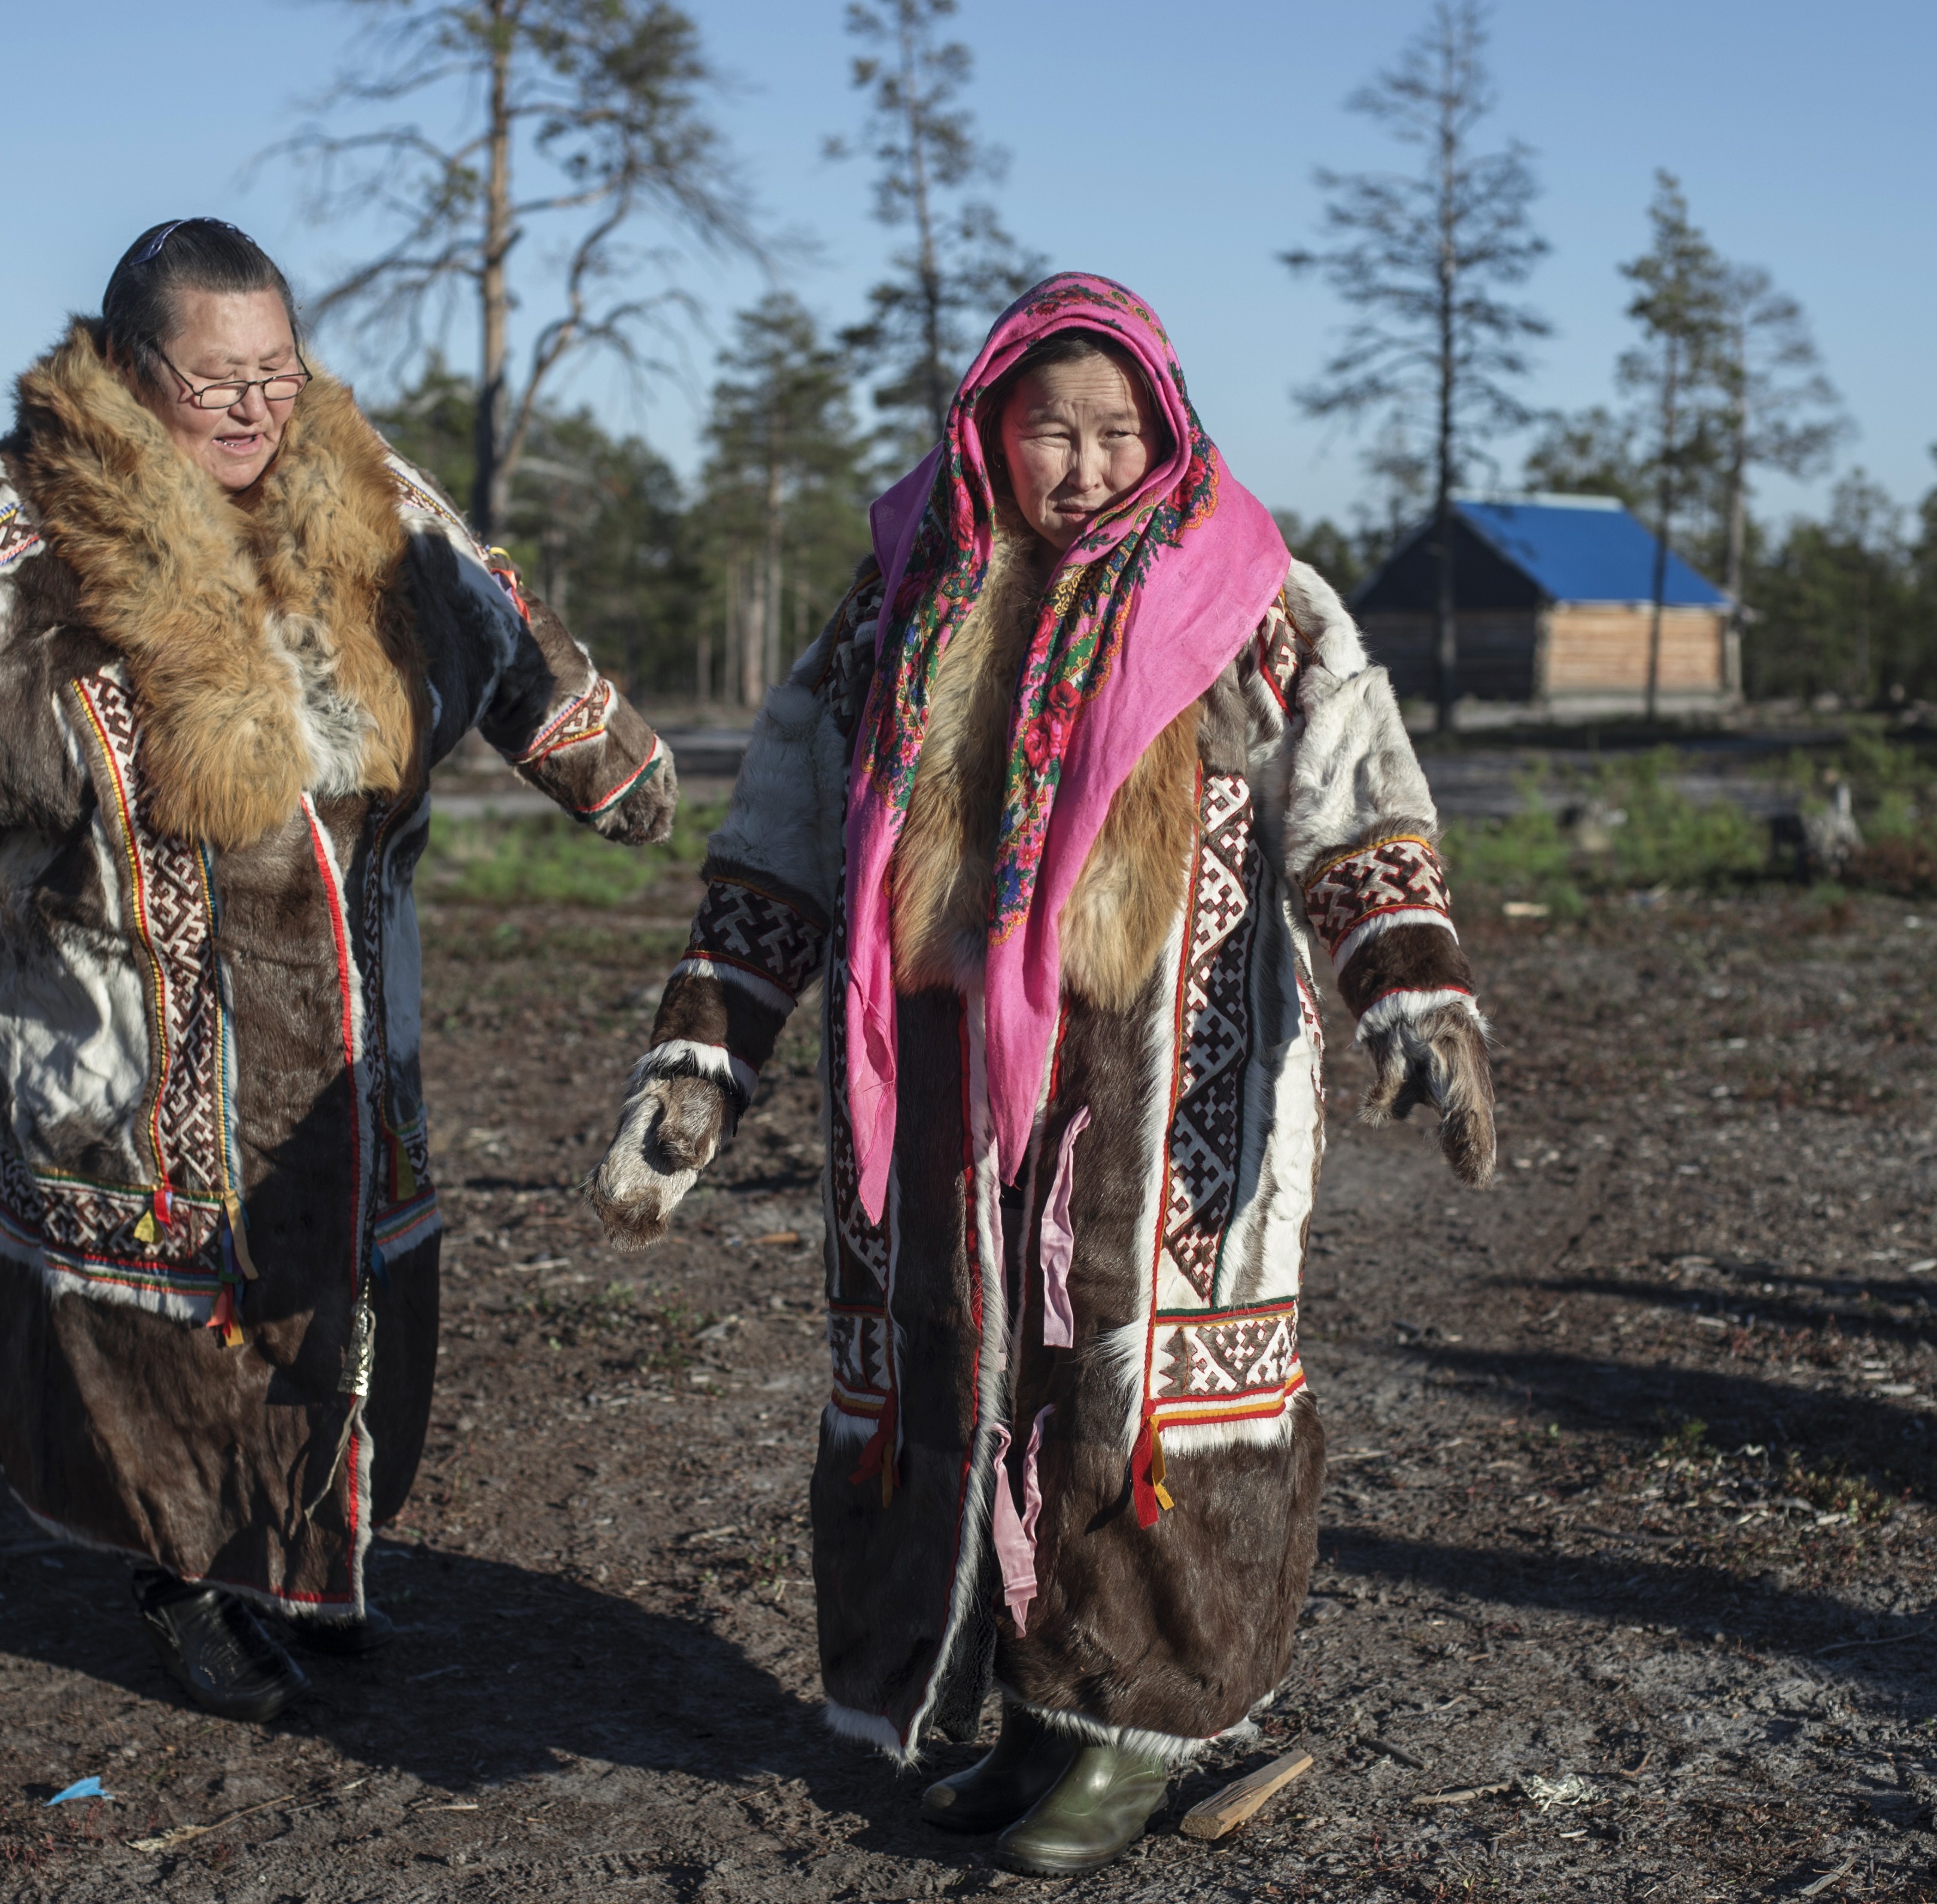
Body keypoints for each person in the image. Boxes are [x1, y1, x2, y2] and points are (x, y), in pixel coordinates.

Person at [0, 218, 675, 1723]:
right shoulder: (9, 557)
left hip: (349, 1032)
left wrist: (605, 763)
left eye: (275, 374)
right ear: (125, 365)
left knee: (344, 1314)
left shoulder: (370, 505)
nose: (248, 408)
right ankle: (184, 1585)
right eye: (210, 379)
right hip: (123, 1046)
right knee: (164, 1345)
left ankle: (310, 1561)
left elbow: (507, 629)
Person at [590, 274, 1494, 1877]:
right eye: (1045, 430)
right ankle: (1030, 1703)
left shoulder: (1257, 605)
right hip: (947, 1088)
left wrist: (1412, 1000)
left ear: (1164, 430)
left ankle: (1132, 1725)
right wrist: (706, 1052)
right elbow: (783, 842)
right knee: (984, 1384)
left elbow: (1354, 805)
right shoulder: (894, 612)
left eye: (1112, 431)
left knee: (1132, 1390)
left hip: (1173, 1079)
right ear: (986, 431)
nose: (1078, 465)